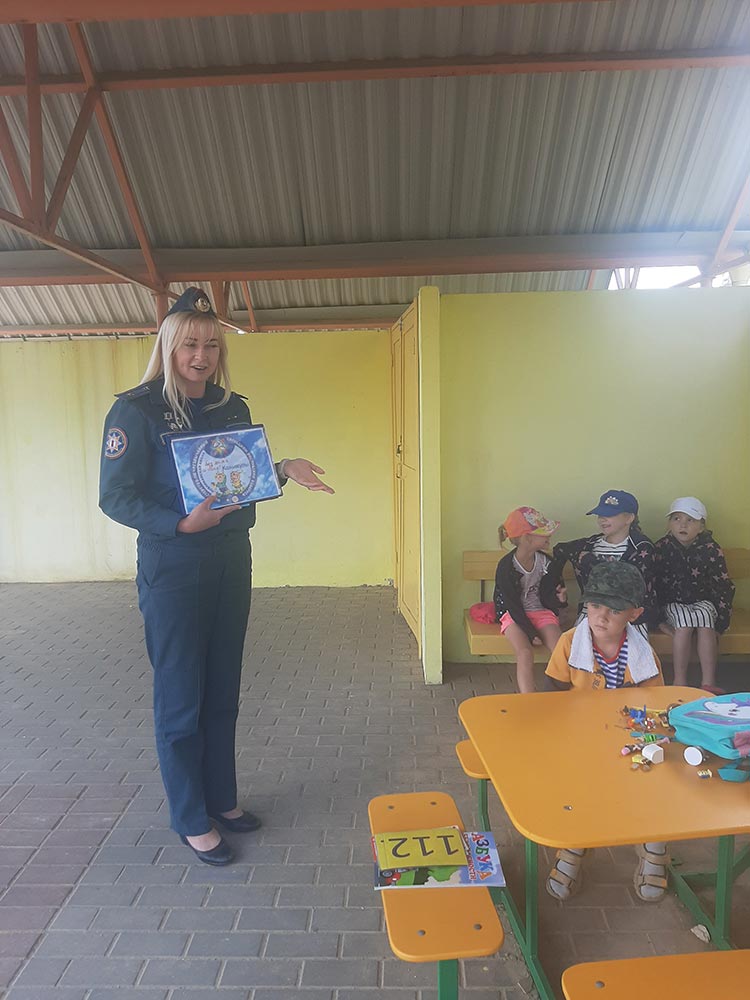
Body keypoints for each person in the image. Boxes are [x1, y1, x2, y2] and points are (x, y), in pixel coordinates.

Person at [99, 287, 334, 866]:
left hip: (231, 558)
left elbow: (237, 479)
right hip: (174, 564)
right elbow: (116, 496)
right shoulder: (135, 411)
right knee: (181, 692)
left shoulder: (232, 408)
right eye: (189, 344)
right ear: (169, 346)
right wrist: (180, 524)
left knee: (223, 686)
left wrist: (282, 468)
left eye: (210, 345)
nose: (200, 356)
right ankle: (189, 817)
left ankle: (221, 798)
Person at [543, 561, 669, 903]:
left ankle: (653, 845)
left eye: (614, 610)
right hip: (580, 738)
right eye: (595, 605)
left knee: (655, 780)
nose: (601, 617)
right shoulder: (570, 643)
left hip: (628, 739)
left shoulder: (643, 655)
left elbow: (655, 706)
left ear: (634, 613)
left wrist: (648, 741)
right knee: (579, 787)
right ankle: (575, 843)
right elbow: (550, 697)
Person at [540, 489, 657, 635]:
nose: (602, 519)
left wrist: (590, 563)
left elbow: (624, 582)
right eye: (600, 515)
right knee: (578, 646)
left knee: (632, 649)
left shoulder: (641, 547)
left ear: (629, 518)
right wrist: (557, 596)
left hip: (627, 617)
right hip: (590, 614)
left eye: (609, 515)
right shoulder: (589, 544)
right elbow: (559, 550)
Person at [654, 497, 734, 693]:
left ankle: (708, 682)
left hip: (702, 602)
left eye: (690, 520)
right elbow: (653, 585)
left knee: (706, 621)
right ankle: (679, 681)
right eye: (677, 519)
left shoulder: (711, 549)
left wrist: (721, 622)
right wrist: (658, 620)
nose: (683, 525)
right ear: (669, 524)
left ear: (701, 527)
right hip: (674, 603)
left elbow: (722, 584)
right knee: (685, 624)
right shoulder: (661, 548)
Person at [492, 506, 565, 694]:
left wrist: (561, 600)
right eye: (544, 532)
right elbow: (511, 604)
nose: (549, 535)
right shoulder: (506, 567)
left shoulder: (547, 562)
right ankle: (528, 699)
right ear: (528, 538)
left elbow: (553, 593)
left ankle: (563, 693)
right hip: (513, 616)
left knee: (561, 649)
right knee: (525, 653)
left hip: (541, 612)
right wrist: (531, 633)